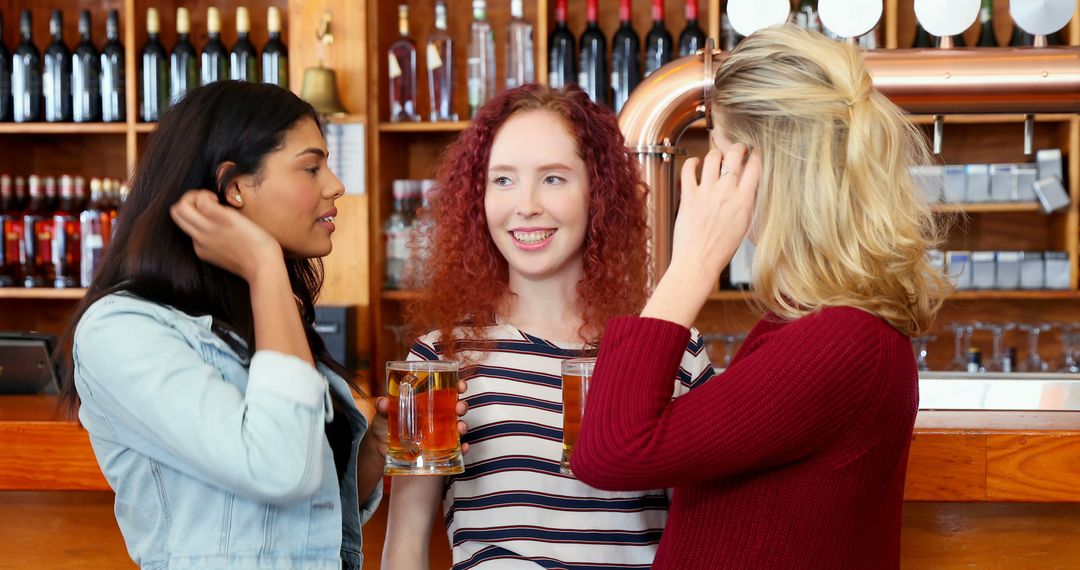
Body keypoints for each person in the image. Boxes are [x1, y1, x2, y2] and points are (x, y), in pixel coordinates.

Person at [572, 25, 950, 569]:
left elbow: (610, 450)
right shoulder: (822, 327)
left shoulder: (840, 343)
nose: (712, 175)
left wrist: (693, 264)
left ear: (766, 166)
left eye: (721, 153)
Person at [58, 81, 409, 569]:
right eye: (311, 167)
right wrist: (264, 264)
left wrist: (373, 448)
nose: (335, 185)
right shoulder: (120, 329)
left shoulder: (262, 311)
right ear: (235, 187)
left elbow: (303, 520)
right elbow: (280, 470)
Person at [381, 84, 715, 569]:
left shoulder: (673, 353)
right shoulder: (436, 361)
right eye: (502, 180)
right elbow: (405, 545)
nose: (526, 205)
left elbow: (705, 528)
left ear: (598, 193)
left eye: (554, 179)